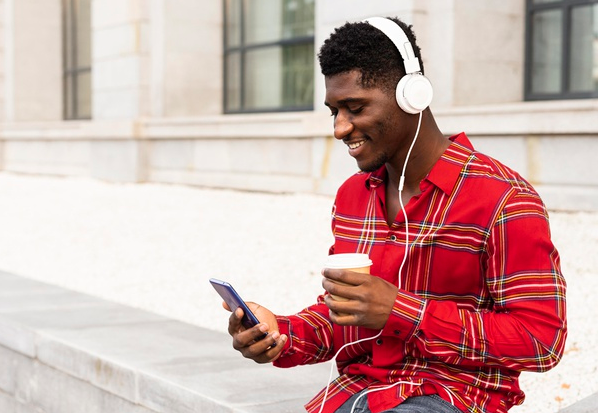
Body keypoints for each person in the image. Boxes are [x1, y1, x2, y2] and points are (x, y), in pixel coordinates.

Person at [223, 16, 567, 413]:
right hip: (355, 394)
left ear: (411, 96)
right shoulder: (353, 196)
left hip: (453, 397)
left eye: (354, 108)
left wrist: (401, 311)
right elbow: (346, 317)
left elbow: (542, 341)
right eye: (334, 110)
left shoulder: (503, 199)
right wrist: (281, 333)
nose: (339, 128)